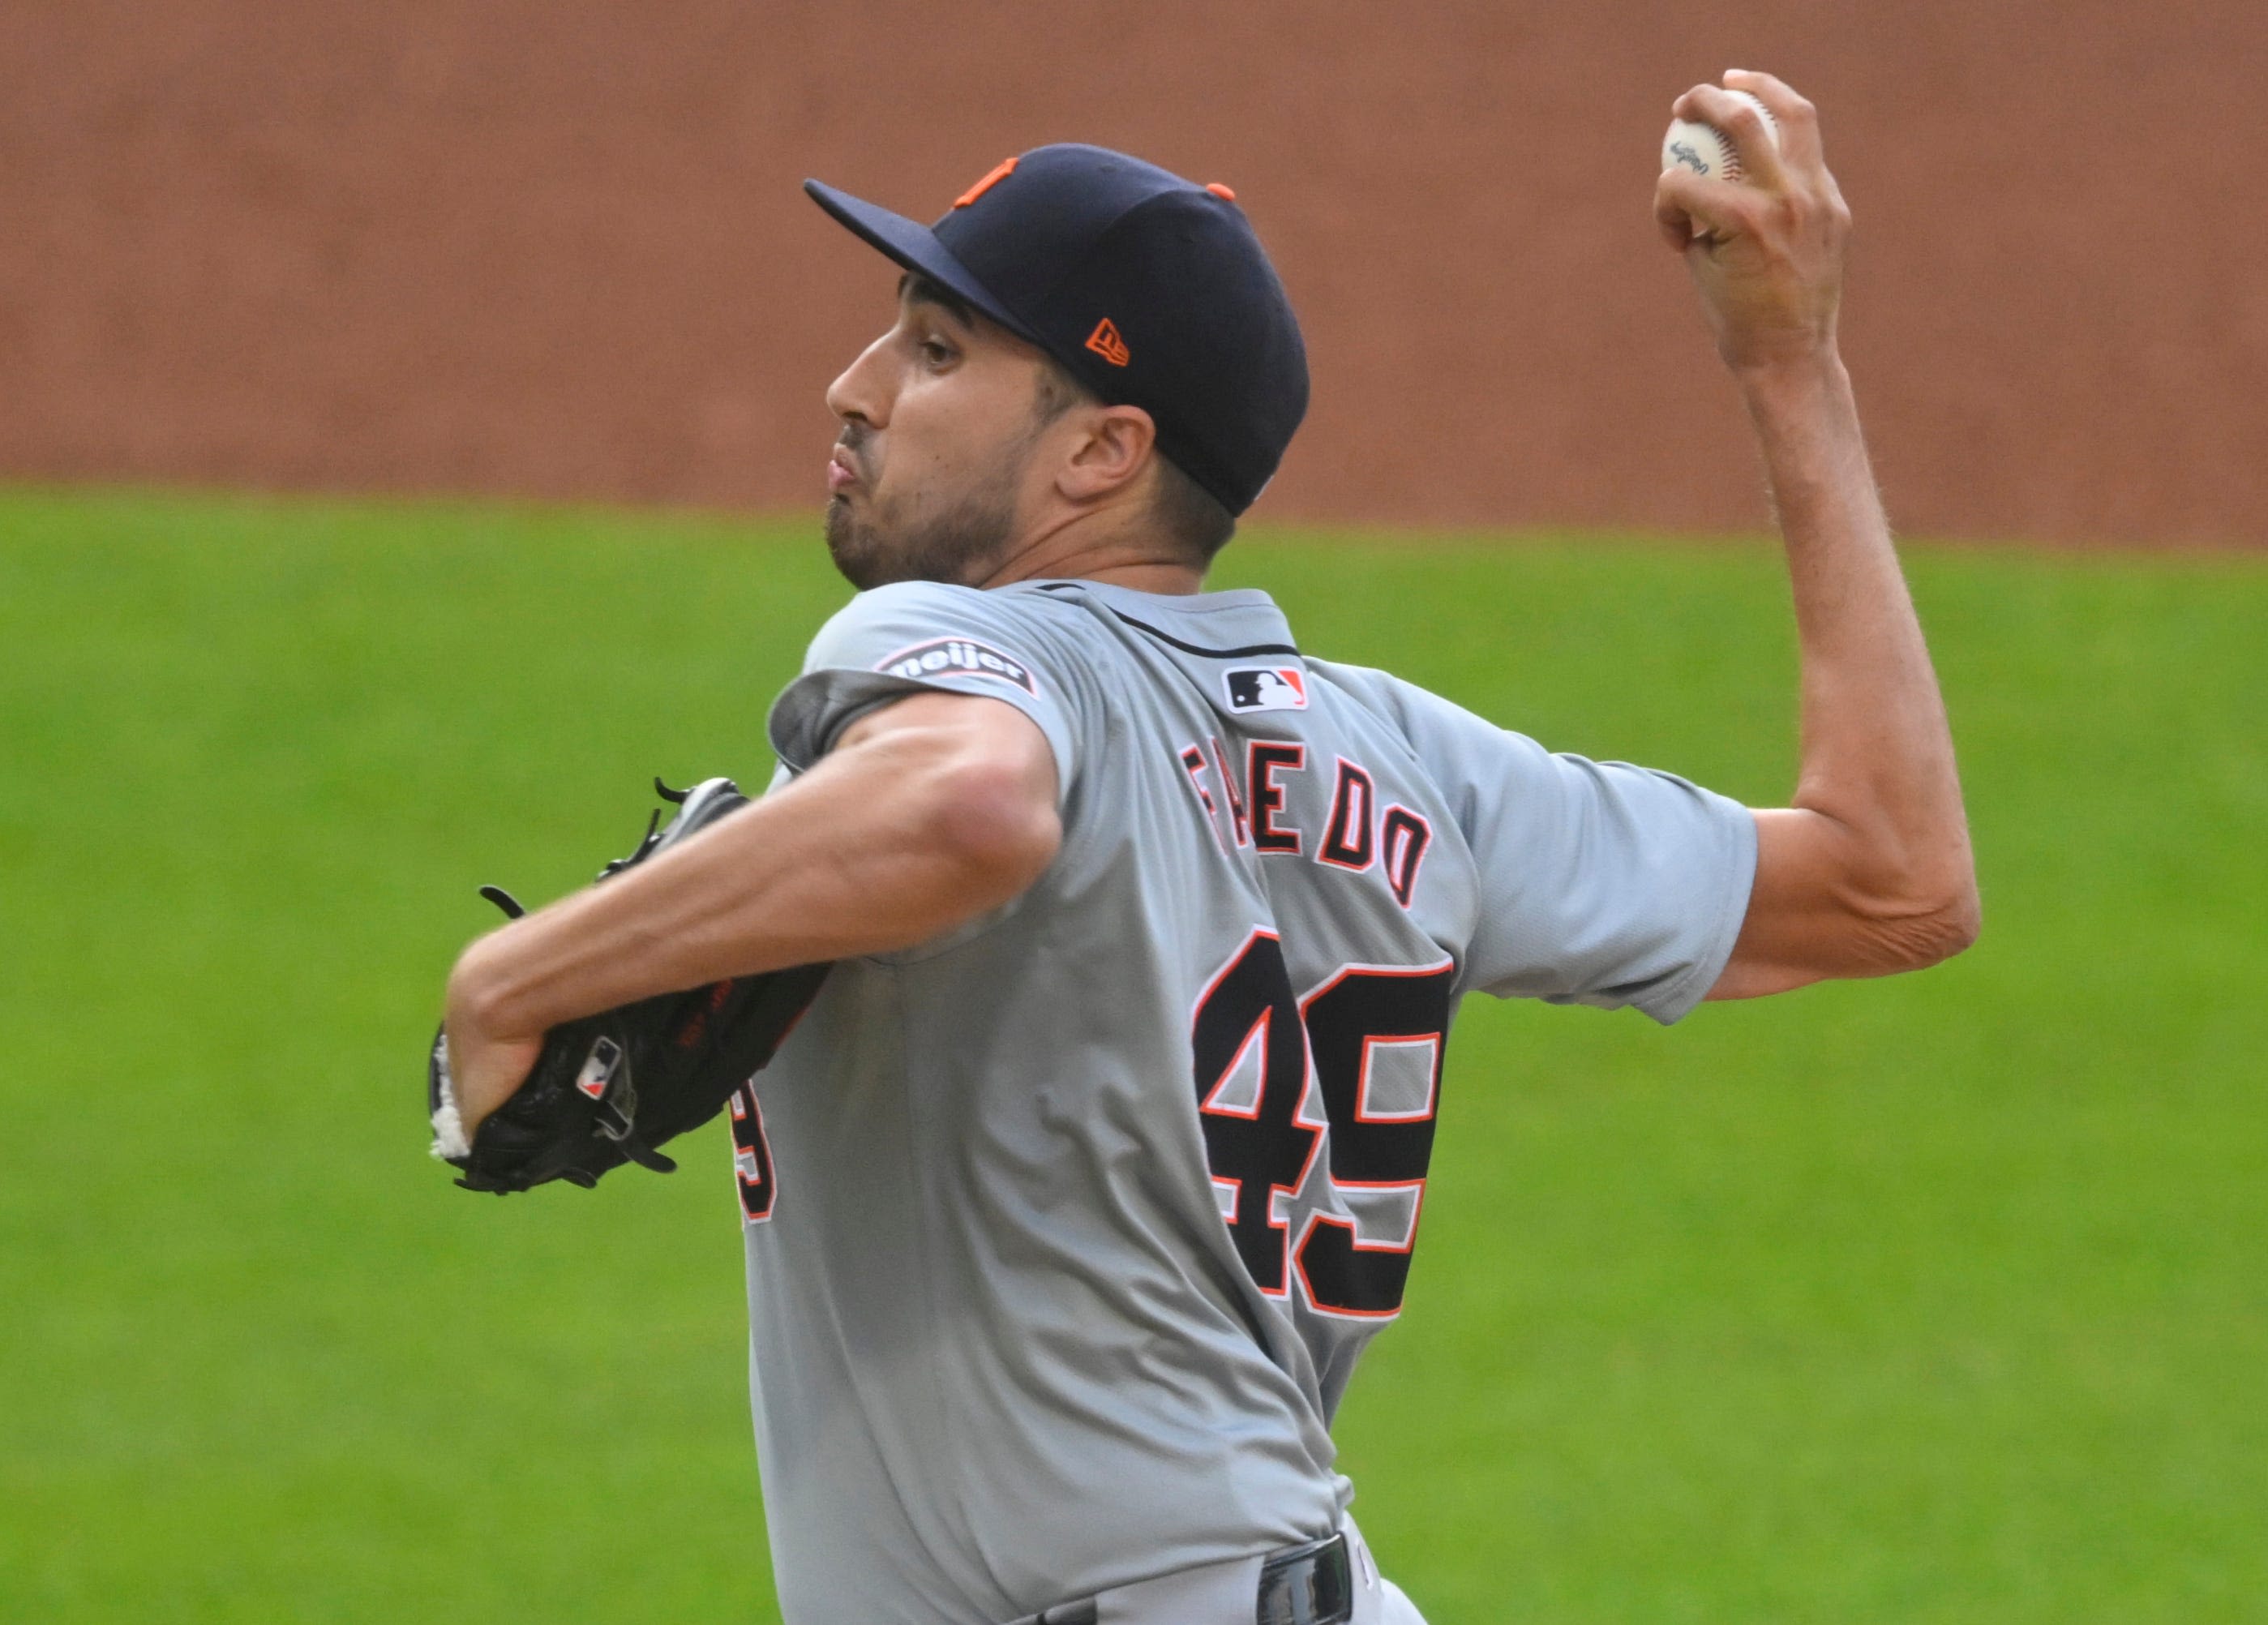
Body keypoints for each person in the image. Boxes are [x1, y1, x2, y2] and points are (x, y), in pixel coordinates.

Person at [440, 72, 1978, 1625]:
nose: (854, 386)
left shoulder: (967, 645)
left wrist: (518, 975)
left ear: (1101, 457)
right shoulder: (1408, 767)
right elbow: (1889, 878)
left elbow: (968, 805)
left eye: (934, 348)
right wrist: (1791, 364)